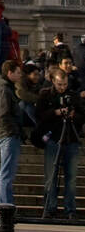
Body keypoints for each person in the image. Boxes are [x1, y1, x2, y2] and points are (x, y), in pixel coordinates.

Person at [35, 65, 85, 221]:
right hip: (53, 139)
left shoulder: (74, 96)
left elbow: (83, 116)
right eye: (59, 84)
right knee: (51, 176)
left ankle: (70, 209)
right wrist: (55, 112)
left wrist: (73, 115)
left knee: (71, 178)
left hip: (71, 139)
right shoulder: (45, 95)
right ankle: (50, 207)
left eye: (64, 84)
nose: (62, 87)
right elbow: (40, 116)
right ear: (53, 82)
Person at [0, 60, 25, 207]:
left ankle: (6, 203)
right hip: (8, 134)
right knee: (7, 172)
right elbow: (3, 114)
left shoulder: (7, 88)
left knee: (8, 172)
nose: (20, 75)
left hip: (7, 133)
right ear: (9, 73)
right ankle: (5, 205)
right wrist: (14, 131)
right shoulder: (4, 89)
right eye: (18, 72)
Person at [16, 60, 44, 128]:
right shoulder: (20, 82)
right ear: (27, 75)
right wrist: (40, 99)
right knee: (25, 103)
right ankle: (40, 126)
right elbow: (23, 94)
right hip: (19, 113)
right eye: (35, 74)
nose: (37, 77)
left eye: (38, 75)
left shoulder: (36, 84)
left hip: (30, 115)